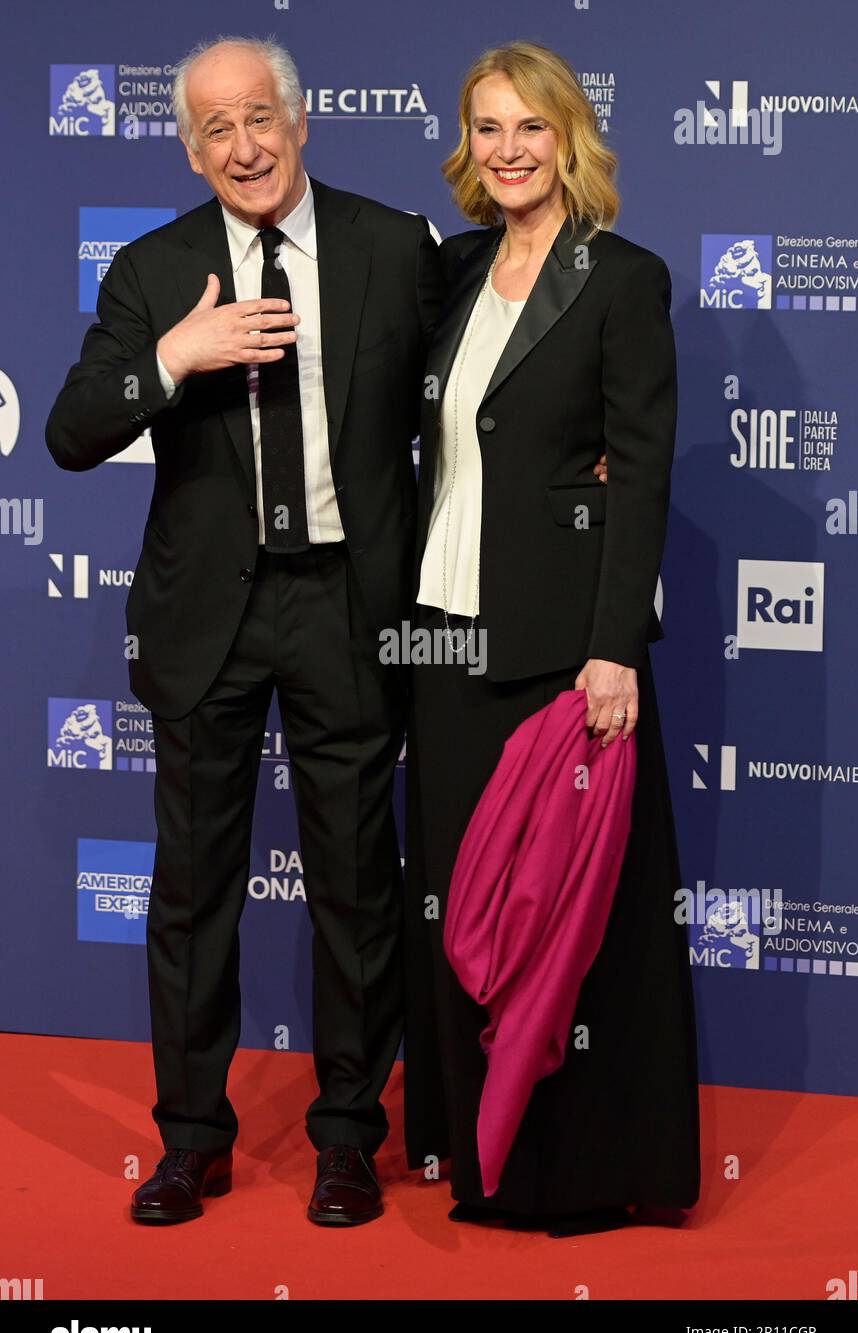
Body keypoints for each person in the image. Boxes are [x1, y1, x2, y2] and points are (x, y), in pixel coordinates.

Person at [45, 35, 443, 1227]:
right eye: (214, 130)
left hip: (347, 602)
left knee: (358, 886)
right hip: (206, 612)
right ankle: (190, 1141)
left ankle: (344, 1137)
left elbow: (483, 382)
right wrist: (173, 356)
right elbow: (68, 430)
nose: (242, 147)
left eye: (258, 118)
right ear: (190, 148)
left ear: (302, 120)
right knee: (192, 889)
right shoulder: (154, 266)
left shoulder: (393, 246)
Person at [402, 41, 701, 1235]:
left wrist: (614, 644)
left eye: (529, 126)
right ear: (465, 147)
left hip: (564, 654)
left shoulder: (620, 279)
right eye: (486, 128)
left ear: (568, 136)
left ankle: (573, 1174)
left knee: (565, 923)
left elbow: (636, 473)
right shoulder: (455, 275)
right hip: (446, 640)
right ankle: (474, 1158)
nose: (508, 149)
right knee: (467, 918)